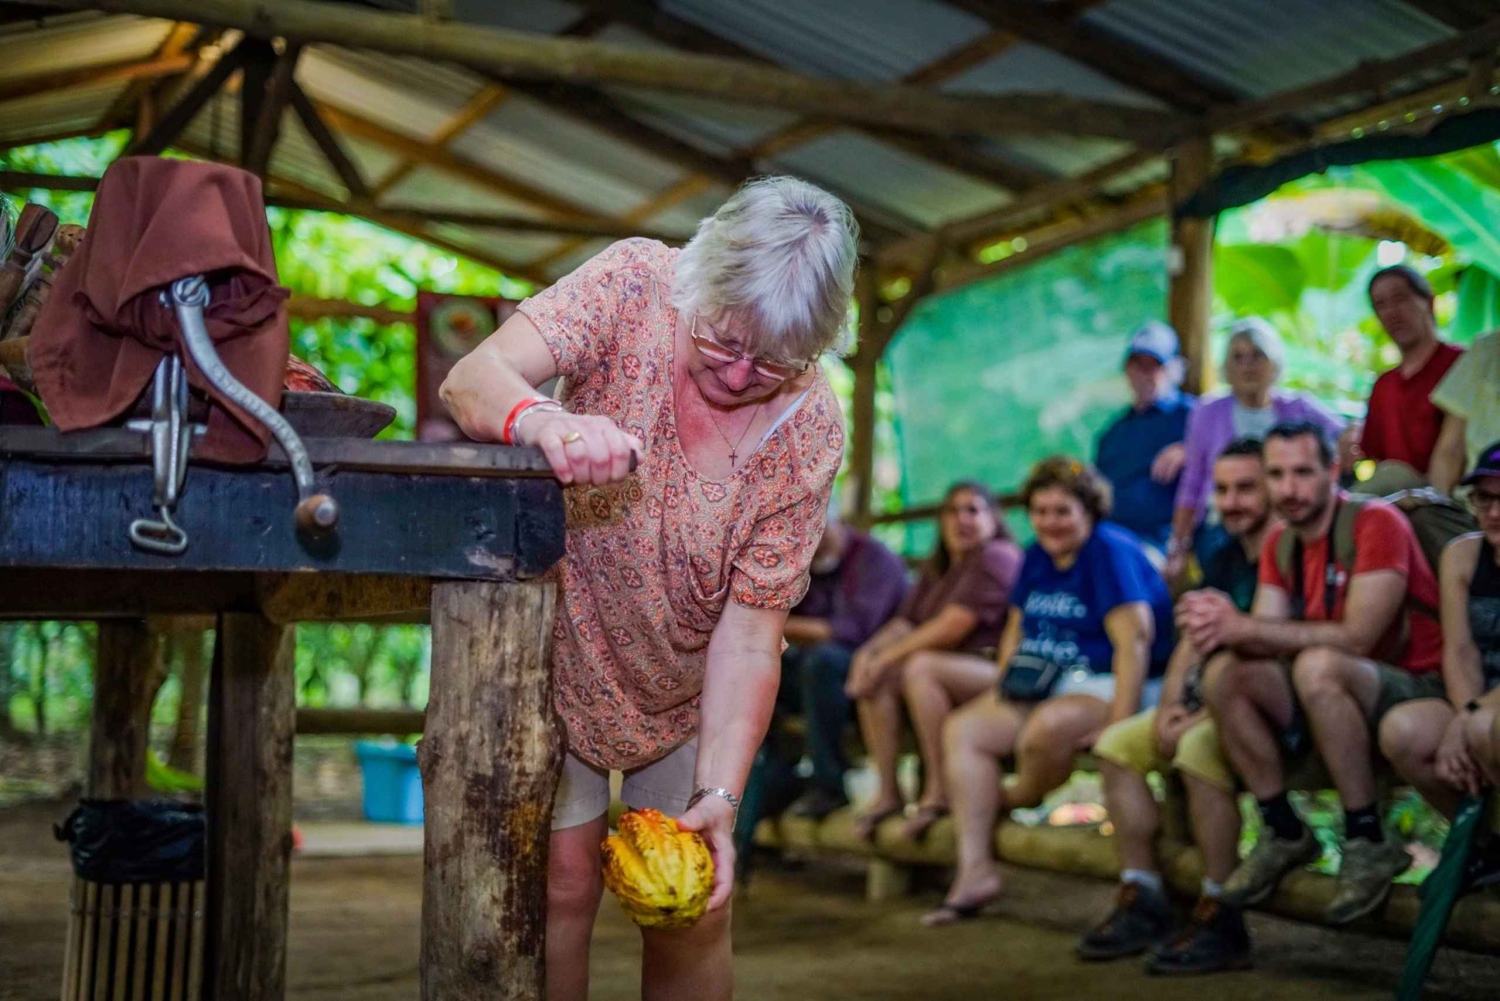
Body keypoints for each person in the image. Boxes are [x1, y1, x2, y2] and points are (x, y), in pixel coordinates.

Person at [439, 176, 856, 1001]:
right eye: (722, 342)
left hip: (688, 685)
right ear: (698, 282)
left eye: (772, 362)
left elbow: (749, 635)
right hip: (562, 647)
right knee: (560, 880)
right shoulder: (633, 282)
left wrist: (720, 797)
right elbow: (471, 378)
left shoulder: (810, 427)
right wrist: (545, 421)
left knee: (688, 901)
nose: (738, 375)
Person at [1180, 421, 1446, 926]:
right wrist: (1218, 621)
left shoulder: (1376, 522)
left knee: (1319, 663)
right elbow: (1262, 632)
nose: (1288, 489)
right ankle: (1282, 828)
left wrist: (1244, 626)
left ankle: (1366, 836)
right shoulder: (1283, 541)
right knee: (1228, 672)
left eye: (1302, 472)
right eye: (1276, 475)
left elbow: (1358, 638)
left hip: (1413, 691)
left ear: (1332, 470)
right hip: (1328, 694)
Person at [922, 457, 1174, 927]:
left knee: (1045, 730)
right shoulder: (1036, 556)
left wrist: (1117, 727)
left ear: (1088, 511)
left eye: (1062, 511)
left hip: (1117, 681)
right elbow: (1016, 627)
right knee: (964, 729)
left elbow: (1134, 644)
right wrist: (1003, 685)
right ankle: (975, 871)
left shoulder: (1109, 551)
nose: (1049, 522)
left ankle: (1015, 798)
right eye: (1040, 511)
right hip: (1046, 679)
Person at [1082, 438, 1273, 973]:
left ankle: (1222, 909)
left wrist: (1198, 716)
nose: (1233, 501)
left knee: (1196, 748)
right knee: (1116, 745)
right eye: (1224, 489)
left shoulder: (1286, 551)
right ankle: (1142, 893)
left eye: (1247, 488)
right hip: (1196, 701)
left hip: (1253, 711)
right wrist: (1167, 704)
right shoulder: (1219, 549)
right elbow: (1191, 634)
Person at [844, 482, 1022, 840]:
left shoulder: (996, 556)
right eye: (952, 511)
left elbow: (952, 627)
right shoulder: (939, 568)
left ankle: (940, 791)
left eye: (973, 510)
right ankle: (889, 792)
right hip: (942, 674)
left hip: (996, 673)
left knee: (920, 666)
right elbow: (903, 623)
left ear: (993, 518)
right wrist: (867, 656)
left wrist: (886, 658)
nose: (962, 519)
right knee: (880, 676)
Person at [1165, 318, 1342, 580]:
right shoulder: (1206, 412)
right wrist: (1178, 544)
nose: (1248, 365)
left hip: (1288, 513)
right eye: (1238, 357)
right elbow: (1192, 482)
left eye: (1257, 355)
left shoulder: (1299, 407)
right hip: (1225, 519)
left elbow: (1345, 436)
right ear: (1226, 367)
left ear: (1274, 363)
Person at [1381, 441, 1500, 818]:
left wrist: (1469, 720)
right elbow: (1459, 650)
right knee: (1402, 731)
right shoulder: (1461, 556)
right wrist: (1465, 711)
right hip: (1477, 701)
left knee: (1484, 729)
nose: (1495, 513)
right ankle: (1478, 847)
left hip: (1486, 713)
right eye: (1484, 499)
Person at [776, 506, 908, 820]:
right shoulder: (801, 564)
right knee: (764, 668)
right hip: (815, 676)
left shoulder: (874, 560)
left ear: (834, 522)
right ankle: (775, 780)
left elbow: (852, 631)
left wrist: (776, 625)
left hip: (871, 669)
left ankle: (829, 784)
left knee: (821, 662)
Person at [1095, 321, 1196, 557]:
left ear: (1173, 369)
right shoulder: (1112, 434)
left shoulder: (1193, 416)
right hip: (1109, 540)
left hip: (1162, 544)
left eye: (1154, 365)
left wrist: (1192, 450)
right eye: (1137, 364)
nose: (1145, 374)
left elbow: (1230, 454)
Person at [1357, 265, 1463, 478]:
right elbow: (1375, 457)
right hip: (1396, 497)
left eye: (1400, 299)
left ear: (1429, 302)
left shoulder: (1461, 364)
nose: (1392, 313)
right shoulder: (1383, 385)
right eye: (1381, 305)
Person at [1430, 330, 1500, 494]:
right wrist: (1439, 501)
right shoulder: (1486, 349)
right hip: (1474, 505)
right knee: (1393, 475)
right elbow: (1449, 450)